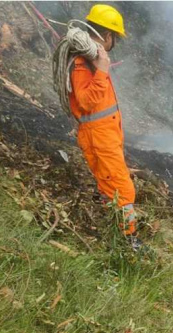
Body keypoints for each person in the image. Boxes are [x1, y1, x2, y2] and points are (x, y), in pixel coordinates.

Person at [69, 4, 138, 246]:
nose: (114, 43)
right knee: (122, 189)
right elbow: (87, 102)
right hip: (99, 138)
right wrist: (100, 71)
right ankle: (128, 242)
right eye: (114, 38)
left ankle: (114, 228)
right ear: (108, 35)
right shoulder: (83, 63)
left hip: (105, 136)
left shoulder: (92, 58)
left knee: (111, 185)